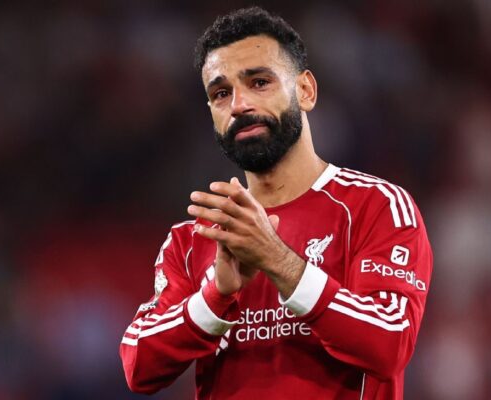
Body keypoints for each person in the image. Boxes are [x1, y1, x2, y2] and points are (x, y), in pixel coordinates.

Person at [120, 6, 432, 399]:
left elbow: (390, 344)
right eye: (221, 93)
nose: (239, 105)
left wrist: (277, 260)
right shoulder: (194, 239)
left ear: (306, 91)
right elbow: (138, 366)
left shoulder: (376, 207)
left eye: (260, 82)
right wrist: (216, 296)